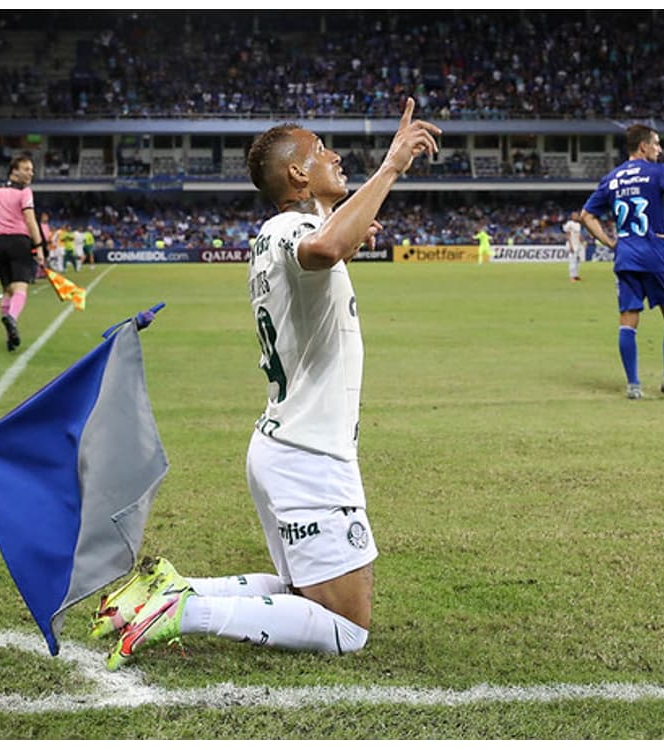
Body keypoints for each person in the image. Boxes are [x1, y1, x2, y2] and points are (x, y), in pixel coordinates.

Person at [95, 97, 440, 671]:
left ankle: (173, 590)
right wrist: (391, 168)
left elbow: (329, 242)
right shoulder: (293, 225)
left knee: (300, 588)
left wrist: (345, 219)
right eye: (321, 151)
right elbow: (325, 246)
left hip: (284, 444)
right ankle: (186, 612)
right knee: (345, 626)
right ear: (298, 175)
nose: (335, 156)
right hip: (309, 452)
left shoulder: (279, 232)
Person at [580, 124, 664, 400]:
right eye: (657, 144)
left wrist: (610, 243)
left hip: (625, 255)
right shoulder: (658, 172)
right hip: (656, 252)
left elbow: (586, 216)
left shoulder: (612, 179)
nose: (660, 150)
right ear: (643, 146)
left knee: (628, 319)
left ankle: (634, 385)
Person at [0, 154, 45, 352]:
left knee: (7, 290)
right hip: (19, 242)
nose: (31, 173)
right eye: (27, 169)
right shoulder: (25, 192)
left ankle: (9, 339)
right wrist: (39, 246)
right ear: (15, 171)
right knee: (21, 288)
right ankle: (11, 319)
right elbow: (30, 220)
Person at [562, 210, 585, 282]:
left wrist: (583, 242)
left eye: (577, 215)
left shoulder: (578, 224)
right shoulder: (569, 224)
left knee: (577, 260)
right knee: (572, 260)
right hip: (572, 244)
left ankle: (576, 275)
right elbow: (568, 235)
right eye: (574, 215)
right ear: (572, 216)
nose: (576, 216)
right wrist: (571, 246)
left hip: (578, 244)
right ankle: (571, 276)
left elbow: (579, 235)